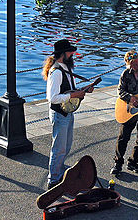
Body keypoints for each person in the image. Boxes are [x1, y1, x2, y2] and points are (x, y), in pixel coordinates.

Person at [42, 39, 94, 189]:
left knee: (66, 145)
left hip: (67, 112)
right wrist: (73, 96)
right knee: (59, 148)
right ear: (63, 54)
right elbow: (52, 98)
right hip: (60, 114)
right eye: (70, 52)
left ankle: (59, 172)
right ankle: (53, 180)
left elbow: (70, 89)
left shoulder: (65, 67)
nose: (73, 54)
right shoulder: (57, 71)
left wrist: (82, 90)